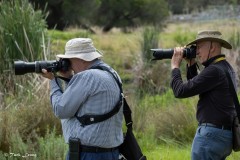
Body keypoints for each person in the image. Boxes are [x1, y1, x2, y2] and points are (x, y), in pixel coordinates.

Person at [41, 38, 124, 160]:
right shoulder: (111, 73)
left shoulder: (86, 77)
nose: (69, 65)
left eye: (69, 60)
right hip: (111, 153)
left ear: (81, 59)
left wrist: (53, 81)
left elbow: (60, 109)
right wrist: (69, 78)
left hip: (89, 154)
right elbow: (84, 100)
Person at [170, 30, 237, 160]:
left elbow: (180, 91)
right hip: (224, 135)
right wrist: (191, 64)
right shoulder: (225, 67)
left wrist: (175, 67)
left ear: (212, 47)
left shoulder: (214, 70)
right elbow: (198, 86)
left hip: (211, 136)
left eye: (200, 47)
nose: (197, 51)